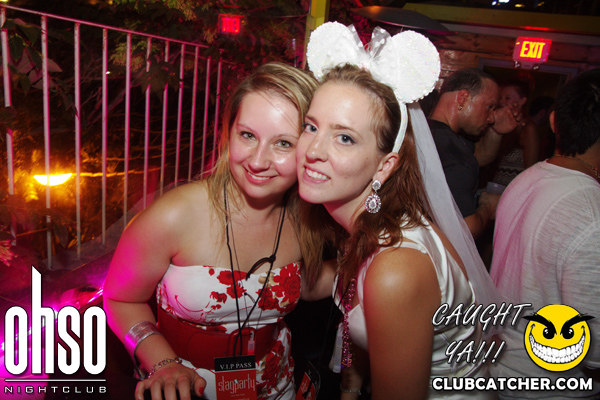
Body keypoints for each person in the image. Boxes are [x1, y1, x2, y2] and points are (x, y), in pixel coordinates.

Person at [299, 22, 499, 400]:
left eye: (345, 137)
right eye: (311, 127)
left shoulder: (396, 267)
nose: (312, 151)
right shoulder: (377, 223)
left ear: (385, 166)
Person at [103, 62, 318, 400]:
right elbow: (120, 298)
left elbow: (304, 283)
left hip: (277, 387)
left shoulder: (308, 220)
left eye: (283, 143)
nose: (258, 161)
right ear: (228, 133)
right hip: (183, 389)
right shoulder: (175, 215)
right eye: (248, 135)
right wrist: (163, 364)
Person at [489, 69, 600, 399]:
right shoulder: (591, 213)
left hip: (501, 369)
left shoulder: (527, 179)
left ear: (553, 122)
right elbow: (594, 349)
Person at [428, 68, 519, 238]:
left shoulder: (425, 129)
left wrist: (495, 132)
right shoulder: (455, 155)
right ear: (463, 98)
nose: (491, 118)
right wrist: (488, 208)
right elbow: (466, 228)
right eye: (489, 106)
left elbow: (478, 158)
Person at [491, 80, 540, 186]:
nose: (502, 102)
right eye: (500, 98)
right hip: (495, 186)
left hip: (514, 188)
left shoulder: (528, 128)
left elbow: (530, 169)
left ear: (522, 101)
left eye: (507, 98)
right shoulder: (498, 125)